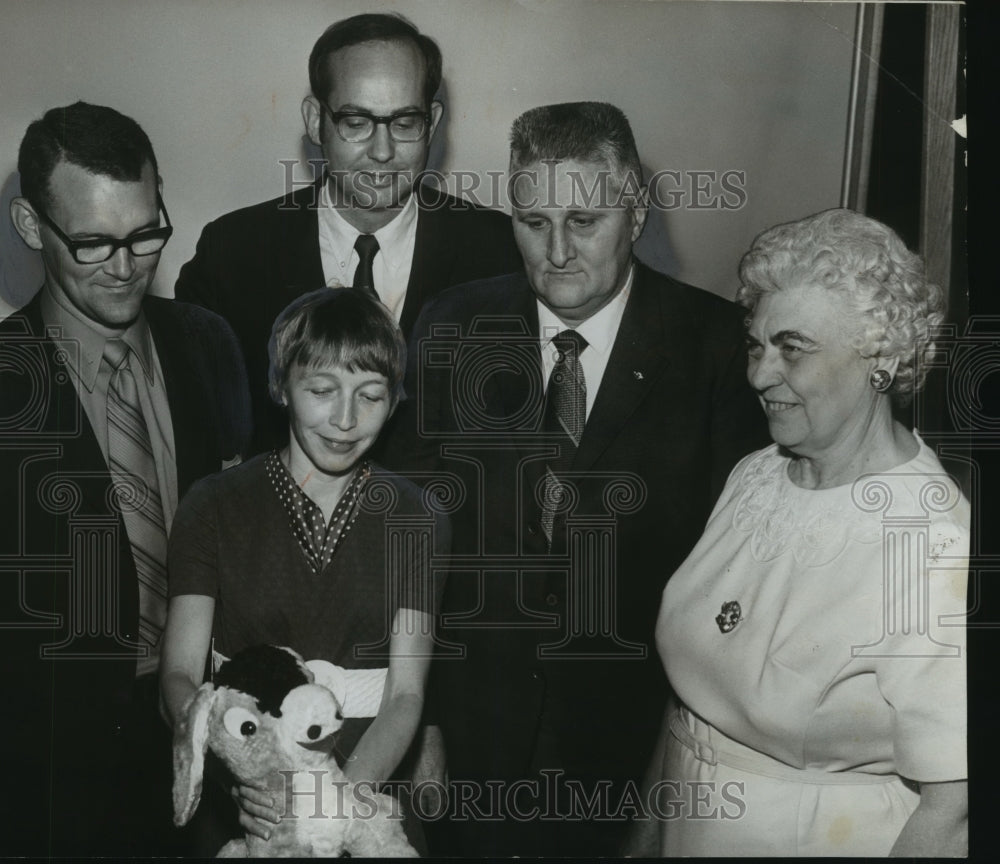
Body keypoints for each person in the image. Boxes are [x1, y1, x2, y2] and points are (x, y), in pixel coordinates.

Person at [397, 101, 768, 857]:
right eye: (533, 223)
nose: (557, 250)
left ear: (634, 213)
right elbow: (411, 543)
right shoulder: (452, 327)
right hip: (473, 740)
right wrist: (421, 725)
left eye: (584, 221)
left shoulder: (716, 346)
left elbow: (734, 575)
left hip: (633, 750)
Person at [646, 209, 968, 856]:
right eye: (756, 343)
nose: (759, 374)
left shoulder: (932, 542)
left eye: (792, 347)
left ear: (881, 359)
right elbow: (691, 698)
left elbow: (956, 805)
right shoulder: (758, 475)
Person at [0, 101, 251, 856]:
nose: (124, 265)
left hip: (209, 758)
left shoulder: (208, 343)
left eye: (146, 233)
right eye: (92, 243)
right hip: (49, 781)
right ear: (29, 226)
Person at [160, 286, 448, 854]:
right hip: (247, 791)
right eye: (322, 390)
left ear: (394, 402)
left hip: (367, 778)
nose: (345, 420)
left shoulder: (418, 514)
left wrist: (338, 798)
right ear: (281, 386)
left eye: (370, 395)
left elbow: (405, 696)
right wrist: (244, 775)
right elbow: (178, 677)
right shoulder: (213, 504)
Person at [174, 12, 521, 458]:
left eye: (404, 122)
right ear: (316, 119)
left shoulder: (499, 251)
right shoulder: (232, 253)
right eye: (356, 122)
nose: (382, 152)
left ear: (431, 123)